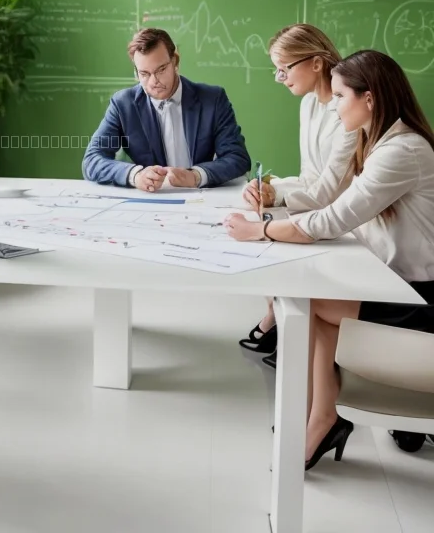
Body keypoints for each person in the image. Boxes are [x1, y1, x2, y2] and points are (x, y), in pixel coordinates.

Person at [224, 50, 434, 469]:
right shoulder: (380, 142)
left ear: (369, 99)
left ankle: (322, 415)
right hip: (393, 282)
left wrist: (261, 230)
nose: (333, 106)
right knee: (313, 299)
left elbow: (334, 218)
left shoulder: (401, 151)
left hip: (418, 298)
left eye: (339, 96)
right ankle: (323, 414)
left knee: (309, 302)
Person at [238, 24, 357, 369]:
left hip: (345, 222)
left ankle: (288, 329)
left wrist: (277, 199)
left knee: (267, 233)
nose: (279, 78)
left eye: (284, 68)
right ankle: (280, 320)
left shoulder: (345, 110)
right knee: (260, 226)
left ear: (316, 63)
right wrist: (271, 192)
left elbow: (330, 190)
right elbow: (310, 178)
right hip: (319, 209)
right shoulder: (308, 104)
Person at [82, 27, 250, 191]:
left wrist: (196, 176)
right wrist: (135, 175)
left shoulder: (213, 99)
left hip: (200, 197)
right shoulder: (122, 105)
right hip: (152, 201)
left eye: (161, 70)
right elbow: (92, 160)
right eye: (144, 74)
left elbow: (237, 157)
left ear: (175, 61)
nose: (154, 81)